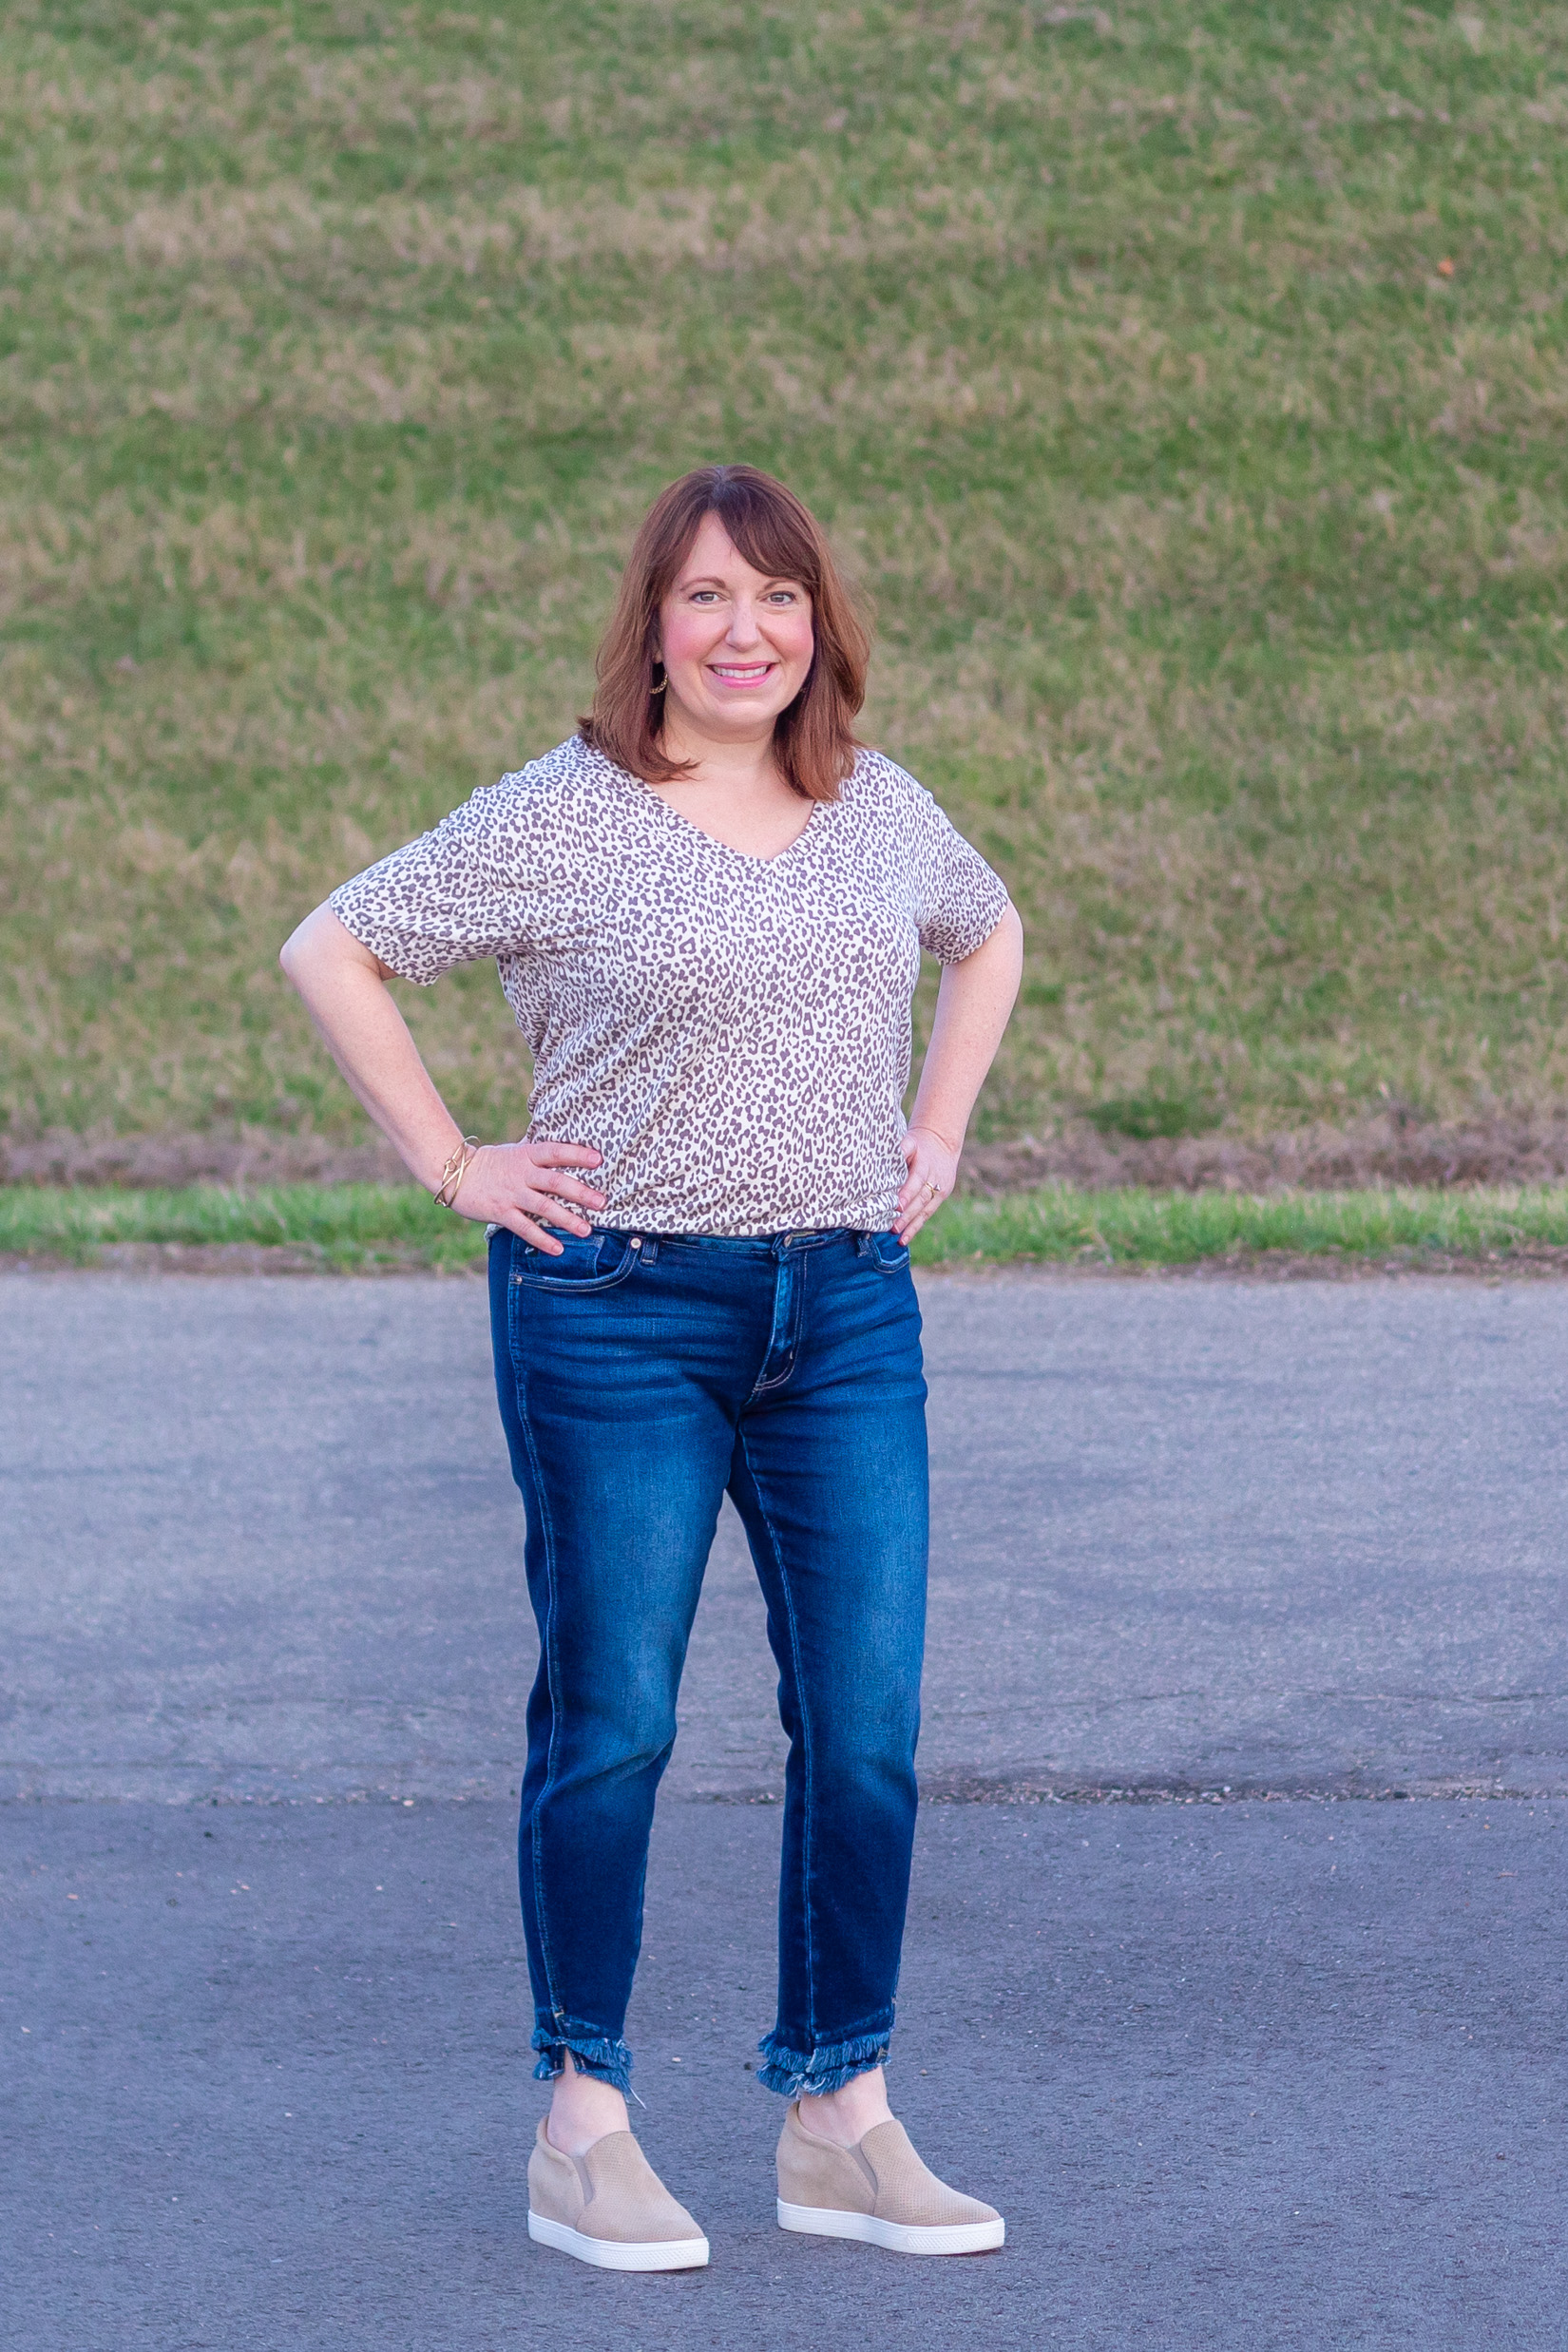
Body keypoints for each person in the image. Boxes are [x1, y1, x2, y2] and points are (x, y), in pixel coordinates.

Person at [280, 463, 1023, 2272]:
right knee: (613, 1716)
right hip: (617, 1313)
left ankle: (838, 2115)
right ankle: (584, 2124)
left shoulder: (875, 806)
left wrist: (934, 1133)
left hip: (842, 1314)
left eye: (775, 599)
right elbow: (333, 945)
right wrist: (458, 1163)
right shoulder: (562, 815)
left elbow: (986, 929)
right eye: (706, 598)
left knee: (867, 1729)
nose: (743, 632)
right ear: (653, 625)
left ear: (816, 628)